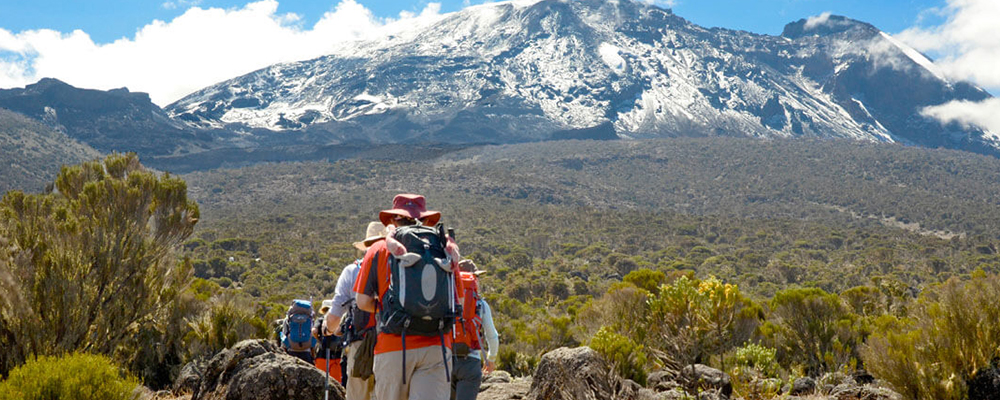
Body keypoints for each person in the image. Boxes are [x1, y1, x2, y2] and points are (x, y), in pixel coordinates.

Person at [354, 194, 462, 400]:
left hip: (393, 346)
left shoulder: (379, 249)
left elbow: (362, 301)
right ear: (426, 220)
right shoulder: (444, 249)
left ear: (394, 219)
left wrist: (390, 307)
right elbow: (459, 301)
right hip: (436, 345)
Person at [322, 221, 385, 400]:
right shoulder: (396, 268)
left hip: (359, 346)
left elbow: (335, 313)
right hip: (392, 345)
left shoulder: (352, 271)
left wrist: (327, 330)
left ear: (366, 245)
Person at [451, 259, 500, 400]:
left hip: (445, 361)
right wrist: (491, 359)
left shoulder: (446, 301)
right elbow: (492, 335)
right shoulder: (481, 304)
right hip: (470, 363)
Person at [314, 299, 344, 384]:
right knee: (336, 383)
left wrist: (319, 339)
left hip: (322, 354)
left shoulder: (320, 319)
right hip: (337, 355)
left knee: (321, 382)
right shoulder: (339, 319)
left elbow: (314, 331)